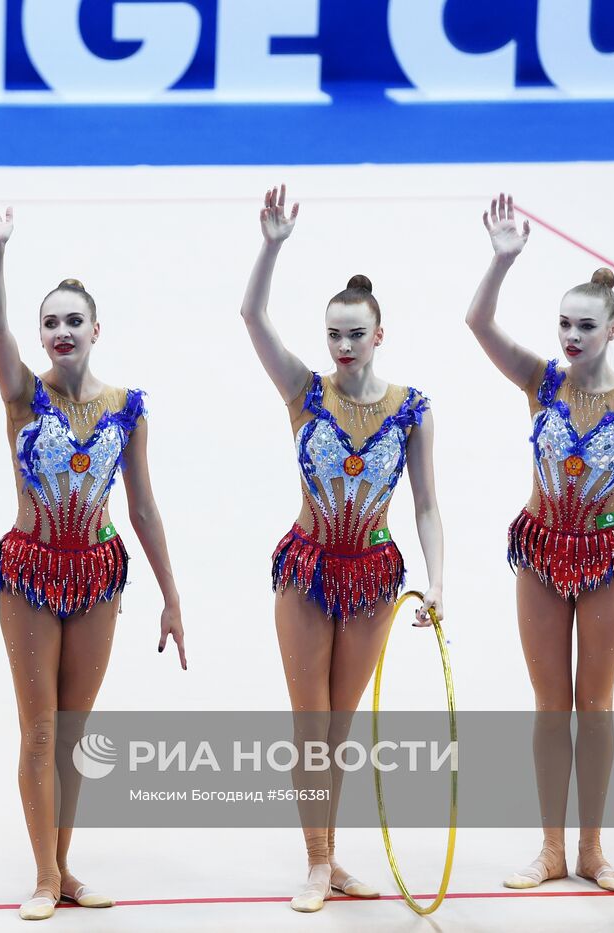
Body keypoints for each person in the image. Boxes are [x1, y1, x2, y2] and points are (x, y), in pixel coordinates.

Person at [0, 190, 187, 921]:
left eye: (72, 321)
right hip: (30, 573)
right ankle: (44, 874)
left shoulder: (127, 406)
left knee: (77, 734)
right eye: (49, 322)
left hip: (96, 572)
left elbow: (144, 506)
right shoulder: (24, 395)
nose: (60, 331)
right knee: (42, 729)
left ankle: (64, 861)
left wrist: (171, 594)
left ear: (96, 328)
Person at [465, 192, 614, 892]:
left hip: (604, 557)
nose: (569, 335)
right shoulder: (542, 381)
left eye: (584, 326)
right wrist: (501, 261)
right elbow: (477, 321)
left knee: (595, 703)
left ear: (613, 329)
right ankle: (552, 848)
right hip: (539, 548)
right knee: (550, 704)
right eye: (563, 323)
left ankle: (593, 849)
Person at [239, 185, 444, 913]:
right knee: (310, 722)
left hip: (373, 579)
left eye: (355, 334)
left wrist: (439, 583)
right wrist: (272, 246)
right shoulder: (305, 390)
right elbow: (252, 318)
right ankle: (318, 861)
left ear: (379, 335)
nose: (343, 345)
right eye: (334, 334)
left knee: (340, 726)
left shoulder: (411, 407)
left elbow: (425, 503)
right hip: (307, 569)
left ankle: (331, 851)